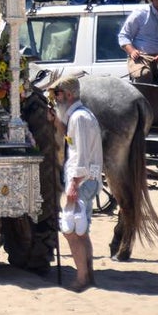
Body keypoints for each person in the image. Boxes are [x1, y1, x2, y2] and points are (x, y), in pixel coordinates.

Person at [49, 75, 104, 290]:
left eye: (58, 94)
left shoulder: (79, 118)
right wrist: (57, 123)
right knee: (81, 230)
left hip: (81, 181)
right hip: (85, 180)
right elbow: (72, 140)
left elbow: (81, 155)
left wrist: (73, 184)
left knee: (71, 231)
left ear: (69, 94)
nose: (56, 98)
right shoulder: (78, 116)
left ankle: (82, 278)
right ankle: (88, 276)